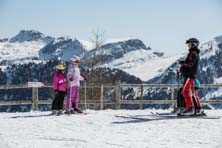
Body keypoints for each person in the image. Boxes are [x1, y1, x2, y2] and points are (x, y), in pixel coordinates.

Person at [179, 38, 203, 115]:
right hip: (192, 75)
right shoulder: (195, 53)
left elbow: (190, 64)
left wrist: (182, 63)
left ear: (193, 44)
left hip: (189, 75)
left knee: (185, 91)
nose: (188, 46)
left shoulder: (192, 53)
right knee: (192, 93)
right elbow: (190, 63)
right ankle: (198, 109)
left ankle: (190, 109)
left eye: (189, 44)